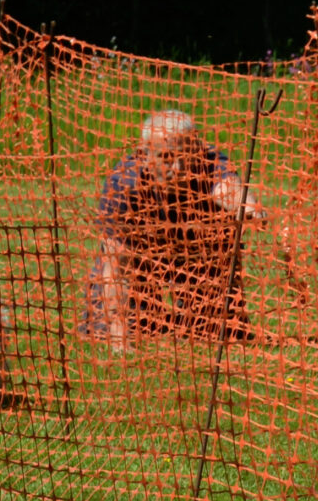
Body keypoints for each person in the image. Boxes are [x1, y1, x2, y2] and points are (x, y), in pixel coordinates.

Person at [82, 108, 261, 347]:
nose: (177, 167)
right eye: (166, 157)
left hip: (199, 259)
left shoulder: (210, 161)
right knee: (114, 329)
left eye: (184, 157)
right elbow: (117, 267)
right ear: (144, 155)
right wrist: (119, 337)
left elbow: (228, 188)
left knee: (214, 334)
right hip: (139, 263)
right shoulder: (124, 183)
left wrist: (248, 209)